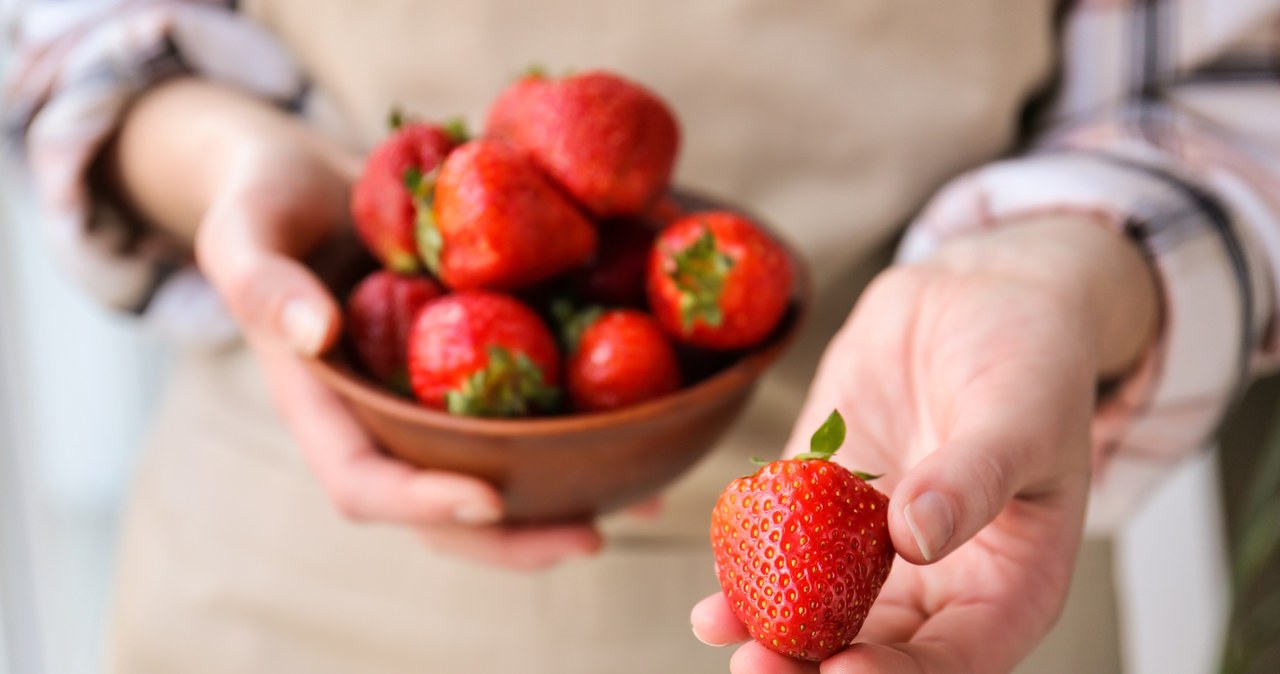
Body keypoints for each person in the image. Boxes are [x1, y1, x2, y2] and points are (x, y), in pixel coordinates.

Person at [4, 0, 1279, 672]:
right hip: (297, 572)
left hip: (941, 531)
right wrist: (223, 164)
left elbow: (1242, 79)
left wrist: (1056, 271)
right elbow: (68, 26)